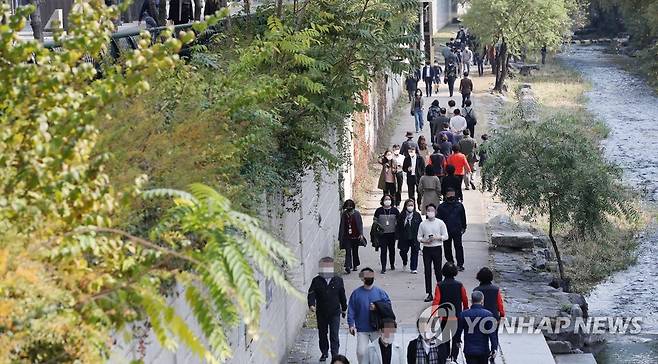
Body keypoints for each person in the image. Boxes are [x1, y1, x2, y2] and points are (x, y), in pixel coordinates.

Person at [347, 268, 392, 363]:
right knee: (361, 352)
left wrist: (377, 307)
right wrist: (351, 324)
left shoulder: (380, 293)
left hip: (377, 329)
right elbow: (351, 309)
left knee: (379, 353)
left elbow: (388, 308)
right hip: (362, 329)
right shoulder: (356, 293)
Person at [308, 257, 348, 361]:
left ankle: (335, 354)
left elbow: (342, 295)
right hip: (321, 312)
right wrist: (311, 304)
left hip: (334, 312)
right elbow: (311, 294)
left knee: (334, 334)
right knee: (322, 333)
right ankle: (324, 352)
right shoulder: (316, 280)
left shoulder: (338, 280)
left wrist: (344, 308)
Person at [432, 262, 470, 361]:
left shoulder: (439, 285)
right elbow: (464, 299)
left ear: (443, 272)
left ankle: (445, 357)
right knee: (456, 338)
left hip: (444, 317)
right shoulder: (459, 285)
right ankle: (454, 357)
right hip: (457, 316)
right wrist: (466, 310)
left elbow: (436, 300)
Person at [417, 204, 449, 302]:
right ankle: (429, 293)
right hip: (427, 248)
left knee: (438, 270)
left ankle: (440, 292)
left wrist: (437, 238)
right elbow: (418, 237)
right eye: (428, 210)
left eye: (432, 210)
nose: (430, 212)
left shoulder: (440, 223)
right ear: (426, 212)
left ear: (435, 212)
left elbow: (446, 236)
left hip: (437, 247)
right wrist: (424, 241)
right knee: (427, 270)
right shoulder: (423, 224)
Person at [456, 291, 499, 364]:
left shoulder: (463, 314)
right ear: (482, 300)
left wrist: (457, 340)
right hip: (483, 349)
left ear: (471, 300)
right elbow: (492, 334)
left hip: (469, 349)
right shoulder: (488, 314)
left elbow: (458, 330)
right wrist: (494, 348)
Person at [474, 267, 506, 355]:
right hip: (493, 316)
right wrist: (502, 314)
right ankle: (494, 350)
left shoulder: (476, 290)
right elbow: (499, 303)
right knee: (494, 335)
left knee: (481, 335)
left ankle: (484, 351)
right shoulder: (496, 289)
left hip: (480, 316)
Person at [438, 189, 467, 271]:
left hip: (457, 229)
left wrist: (464, 227)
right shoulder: (442, 207)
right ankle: (450, 262)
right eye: (449, 195)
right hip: (446, 230)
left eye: (452, 195)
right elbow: (439, 219)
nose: (451, 197)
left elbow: (463, 217)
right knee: (447, 247)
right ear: (446, 195)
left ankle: (460, 264)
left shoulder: (459, 205)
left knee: (458, 247)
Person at [374, 195, 399, 274]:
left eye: (389, 199)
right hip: (382, 234)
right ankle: (383, 267)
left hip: (392, 234)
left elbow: (399, 222)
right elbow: (375, 221)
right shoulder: (379, 211)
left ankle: (392, 264)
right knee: (383, 251)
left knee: (392, 250)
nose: (387, 201)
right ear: (382, 201)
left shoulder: (395, 210)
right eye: (386, 199)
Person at [396, 199, 422, 273]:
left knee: (415, 252)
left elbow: (421, 226)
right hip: (404, 237)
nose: (410, 207)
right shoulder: (402, 215)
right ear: (405, 206)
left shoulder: (417, 215)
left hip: (414, 237)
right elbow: (398, 226)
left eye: (412, 205)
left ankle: (413, 268)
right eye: (408, 205)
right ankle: (405, 261)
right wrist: (397, 236)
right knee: (403, 251)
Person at [339, 199, 363, 274]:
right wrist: (340, 236)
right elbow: (342, 226)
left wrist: (361, 234)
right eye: (347, 206)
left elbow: (360, 224)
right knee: (348, 251)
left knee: (355, 251)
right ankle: (348, 266)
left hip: (356, 236)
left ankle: (355, 265)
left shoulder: (357, 214)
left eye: (350, 206)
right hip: (347, 237)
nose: (349, 207)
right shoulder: (344, 214)